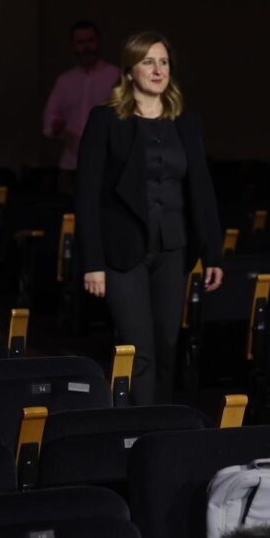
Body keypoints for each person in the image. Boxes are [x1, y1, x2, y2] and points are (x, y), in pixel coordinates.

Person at [75, 31, 223, 405]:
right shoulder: (106, 119)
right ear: (129, 71)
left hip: (173, 247)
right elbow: (87, 197)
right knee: (136, 346)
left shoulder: (185, 121)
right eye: (148, 62)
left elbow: (201, 190)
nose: (158, 70)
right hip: (122, 252)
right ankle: (137, 426)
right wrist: (92, 263)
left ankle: (161, 421)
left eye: (164, 62)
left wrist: (213, 252)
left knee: (167, 341)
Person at [43, 20, 120, 175]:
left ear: (98, 42)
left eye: (90, 41)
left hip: (107, 163)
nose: (86, 47)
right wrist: (55, 125)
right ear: (73, 46)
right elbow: (50, 115)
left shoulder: (115, 77)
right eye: (80, 42)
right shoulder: (65, 81)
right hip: (72, 164)